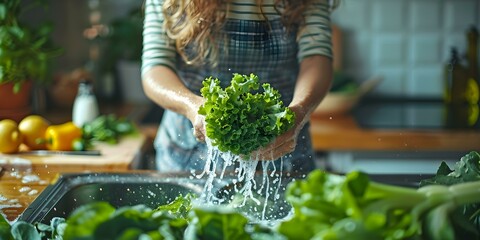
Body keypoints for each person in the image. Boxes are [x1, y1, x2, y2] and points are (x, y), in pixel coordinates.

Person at [141, 0, 337, 174]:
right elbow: (155, 68)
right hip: (189, 155)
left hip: (284, 150)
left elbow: (316, 58)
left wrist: (298, 112)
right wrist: (193, 107)